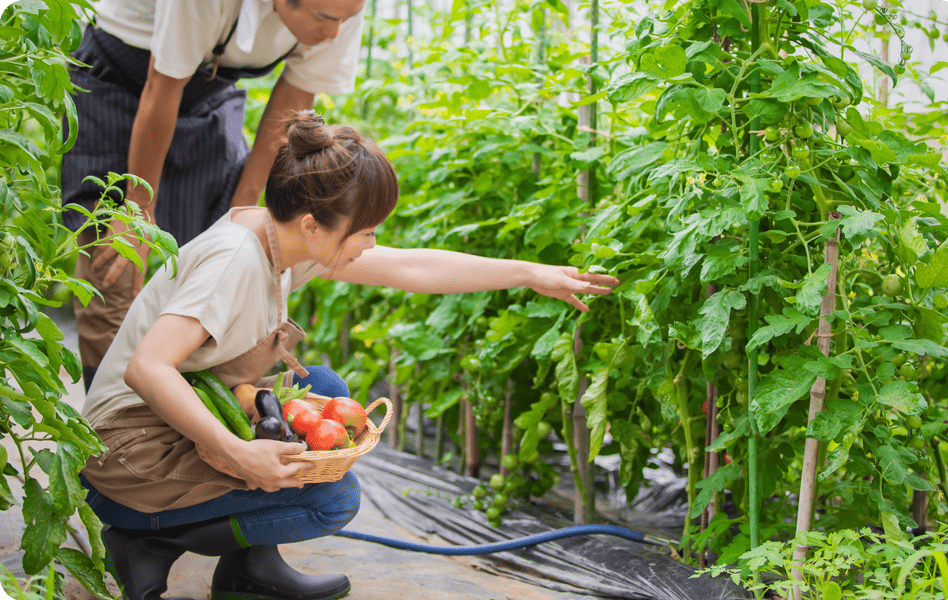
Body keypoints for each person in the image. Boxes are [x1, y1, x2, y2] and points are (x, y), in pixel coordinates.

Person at [78, 112, 620, 600]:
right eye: (363, 231)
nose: (370, 243)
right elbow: (146, 368)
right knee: (328, 502)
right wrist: (238, 454)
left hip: (164, 422)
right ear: (314, 223)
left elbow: (411, 269)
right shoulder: (236, 261)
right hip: (126, 455)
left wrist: (529, 275)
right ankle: (148, 540)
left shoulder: (284, 236)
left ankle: (248, 568)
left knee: (327, 390)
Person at [61, 0, 367, 391]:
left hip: (207, 96)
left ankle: (182, 409)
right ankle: (110, 429)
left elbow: (291, 104)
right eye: (326, 19)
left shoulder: (340, 7)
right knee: (114, 264)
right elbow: (161, 84)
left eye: (347, 19)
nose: (336, 33)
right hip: (116, 83)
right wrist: (137, 207)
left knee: (229, 253)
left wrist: (244, 206)